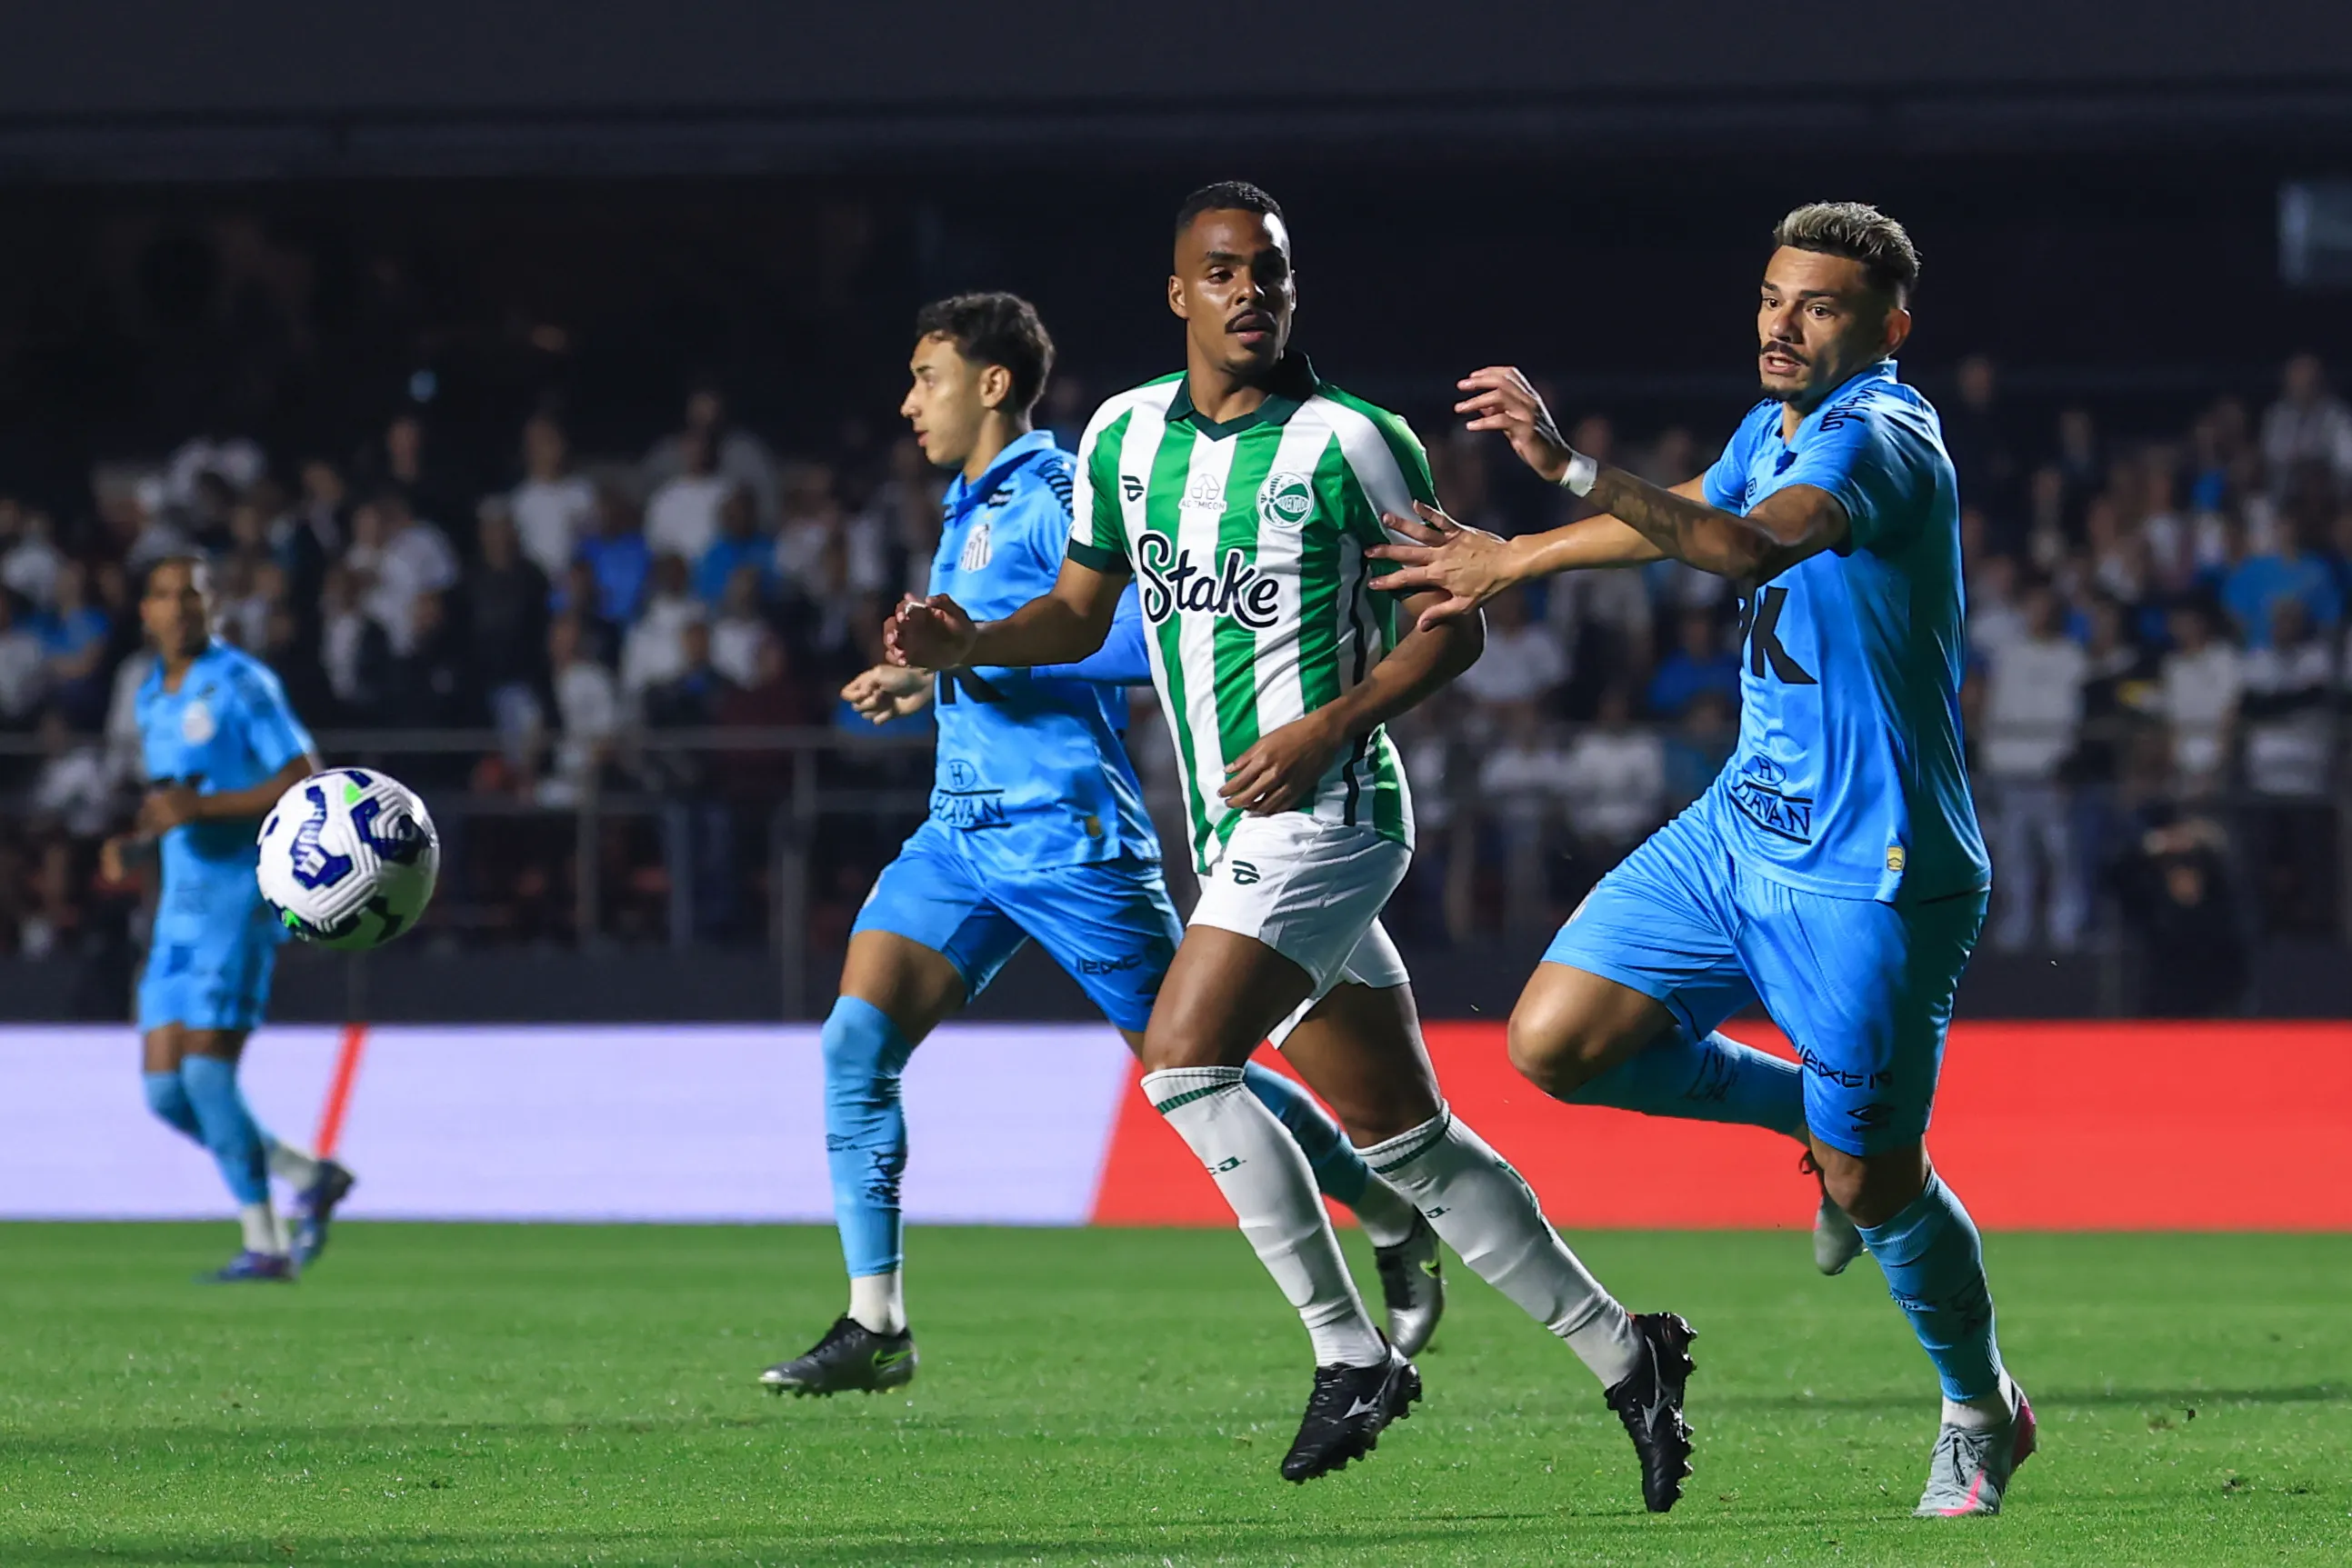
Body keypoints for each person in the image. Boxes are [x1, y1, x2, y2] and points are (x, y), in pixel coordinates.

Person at [888, 188, 1695, 1503]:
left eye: (1268, 272)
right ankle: (1629, 1354)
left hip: (1331, 814)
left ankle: (1348, 1354)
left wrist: (1331, 723)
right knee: (1406, 1141)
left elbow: (1456, 624)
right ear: (1177, 295)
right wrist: (967, 645)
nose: (1248, 291)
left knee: (1181, 1059)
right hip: (1228, 833)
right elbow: (1077, 609)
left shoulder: (1357, 444)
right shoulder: (1120, 439)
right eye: (1221, 273)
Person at [1372, 202, 2032, 1516]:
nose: (1781, 326)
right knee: (1554, 1040)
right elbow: (1687, 509)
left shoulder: (1881, 439)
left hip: (1872, 872)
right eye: (1771, 298)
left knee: (1875, 1182)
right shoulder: (1771, 423)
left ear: (1884, 329)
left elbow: (1741, 543)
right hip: (1739, 828)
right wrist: (1515, 559)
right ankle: (1808, 1115)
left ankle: (1977, 1405)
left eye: (1819, 307)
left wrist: (1563, 468)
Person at [762, 289, 1446, 1415]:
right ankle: (875, 1322)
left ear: (991, 384)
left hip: (1071, 841)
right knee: (854, 1044)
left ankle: (1382, 1206)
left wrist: (970, 654)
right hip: (962, 834)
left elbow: (1147, 637)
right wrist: (930, 671)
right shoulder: (964, 502)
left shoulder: (1054, 491)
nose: (907, 402)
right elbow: (989, 644)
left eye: (925, 376)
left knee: (1190, 1073)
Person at [99, 556, 353, 1281]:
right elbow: (178, 799)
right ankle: (308, 1175)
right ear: (144, 611)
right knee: (166, 1095)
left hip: (240, 900)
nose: (177, 608)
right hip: (178, 908)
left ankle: (266, 1243)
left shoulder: (243, 682)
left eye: (191, 595)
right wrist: (136, 842)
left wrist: (201, 811)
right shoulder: (151, 696)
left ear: (213, 608)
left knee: (209, 1079)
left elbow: (305, 779)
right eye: (162, 595)